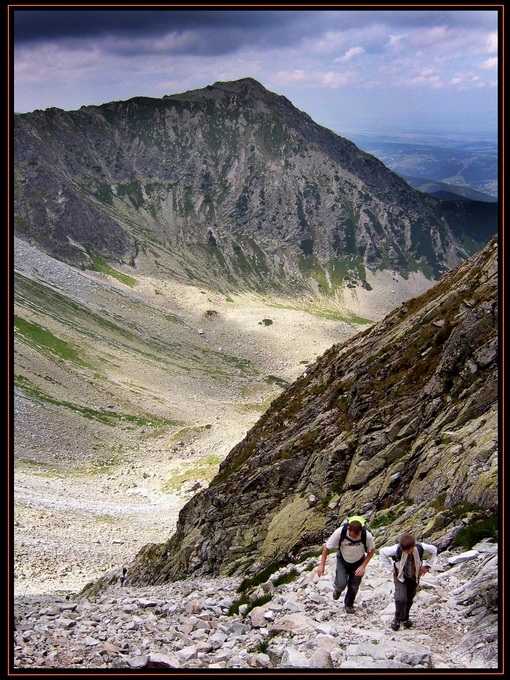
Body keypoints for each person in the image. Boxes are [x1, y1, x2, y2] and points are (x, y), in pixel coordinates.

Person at [379, 532, 437, 631]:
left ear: (413, 545)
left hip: (414, 576)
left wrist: (427, 566)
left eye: (408, 550)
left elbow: (434, 550)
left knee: (410, 598)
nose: (406, 552)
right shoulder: (397, 549)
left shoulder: (420, 547)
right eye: (404, 550)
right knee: (401, 598)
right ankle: (397, 619)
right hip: (400, 576)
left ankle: (405, 618)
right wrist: (391, 569)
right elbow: (382, 552)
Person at [317, 519, 376, 613]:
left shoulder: (367, 536)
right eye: (352, 536)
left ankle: (349, 605)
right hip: (343, 560)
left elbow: (372, 550)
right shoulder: (340, 532)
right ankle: (338, 589)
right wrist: (322, 565)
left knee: (354, 586)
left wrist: (363, 566)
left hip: (358, 562)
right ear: (348, 530)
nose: (355, 538)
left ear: (361, 531)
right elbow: (327, 547)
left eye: (357, 536)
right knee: (341, 583)